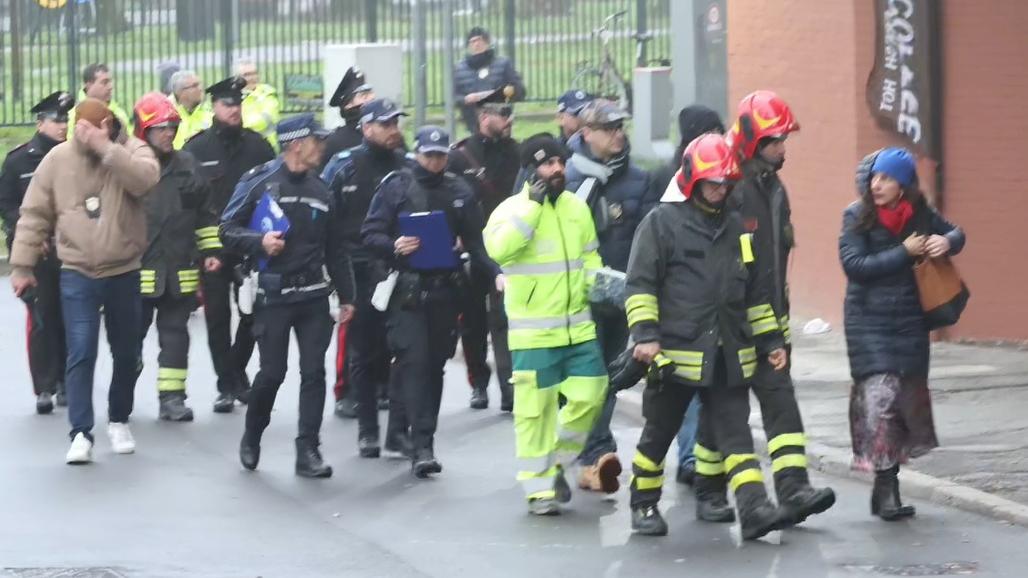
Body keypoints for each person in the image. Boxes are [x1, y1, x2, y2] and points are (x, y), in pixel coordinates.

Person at [624, 133, 788, 540]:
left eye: (725, 183)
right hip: (674, 353)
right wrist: (645, 336)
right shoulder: (661, 223)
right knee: (659, 433)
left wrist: (770, 343)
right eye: (712, 182)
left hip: (728, 351)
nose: (719, 190)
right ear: (692, 179)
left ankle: (748, 508)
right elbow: (640, 284)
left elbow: (754, 292)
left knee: (733, 434)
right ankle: (643, 503)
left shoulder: (738, 229)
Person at [11, 97, 160, 464]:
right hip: (76, 270)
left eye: (93, 128)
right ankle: (80, 432)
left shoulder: (132, 150)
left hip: (124, 269)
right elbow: (33, 215)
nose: (84, 135)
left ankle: (119, 418)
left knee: (127, 352)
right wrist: (22, 267)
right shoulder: (58, 160)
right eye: (80, 129)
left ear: (108, 125)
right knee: (81, 351)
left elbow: (145, 181)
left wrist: (106, 149)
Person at [714, 90, 835, 525]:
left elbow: (771, 263)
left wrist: (776, 330)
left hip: (770, 324)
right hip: (727, 327)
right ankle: (727, 498)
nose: (783, 148)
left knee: (781, 402)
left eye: (783, 139)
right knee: (726, 416)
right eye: (775, 140)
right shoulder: (724, 188)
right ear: (750, 140)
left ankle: (793, 489)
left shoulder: (772, 187)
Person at [363, 125, 503, 477]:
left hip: (445, 291)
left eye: (441, 155)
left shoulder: (459, 190)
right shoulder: (396, 187)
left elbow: (475, 244)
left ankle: (400, 432)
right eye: (429, 155)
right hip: (407, 292)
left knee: (433, 367)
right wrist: (394, 245)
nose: (436, 162)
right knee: (414, 362)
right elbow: (370, 233)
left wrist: (497, 273)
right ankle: (422, 445)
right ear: (417, 154)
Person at [221, 113, 355, 478]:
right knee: (272, 373)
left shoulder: (322, 189)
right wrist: (259, 241)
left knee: (314, 372)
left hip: (313, 295)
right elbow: (226, 230)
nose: (323, 147)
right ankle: (252, 434)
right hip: (273, 296)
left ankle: (307, 450)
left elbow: (336, 248)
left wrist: (348, 297)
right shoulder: (259, 181)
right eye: (318, 140)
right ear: (297, 143)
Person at [840, 147, 965, 521]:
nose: (877, 185)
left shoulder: (921, 214)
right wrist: (903, 251)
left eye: (887, 179)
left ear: (904, 185)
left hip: (910, 321)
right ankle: (887, 486)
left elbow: (957, 233)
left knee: (902, 402)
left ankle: (886, 487)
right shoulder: (856, 215)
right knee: (879, 402)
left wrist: (949, 242)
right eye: (875, 177)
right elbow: (854, 265)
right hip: (868, 322)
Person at [484, 133, 606, 516]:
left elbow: (590, 258)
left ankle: (556, 463)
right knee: (535, 414)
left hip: (579, 329)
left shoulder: (576, 208)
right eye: (547, 164)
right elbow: (499, 250)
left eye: (559, 162)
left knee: (591, 394)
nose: (557, 170)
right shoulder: (510, 210)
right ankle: (538, 490)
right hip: (533, 334)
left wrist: (601, 287)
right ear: (530, 170)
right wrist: (533, 210)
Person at [563, 99, 657, 494]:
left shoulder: (639, 180)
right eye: (609, 128)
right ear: (586, 134)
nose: (618, 134)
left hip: (620, 297)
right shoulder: (561, 176)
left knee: (607, 378)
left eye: (621, 126)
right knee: (580, 380)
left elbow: (651, 238)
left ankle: (594, 454)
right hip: (572, 299)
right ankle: (584, 452)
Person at [321, 98, 411, 457]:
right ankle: (368, 430)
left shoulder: (406, 166)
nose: (394, 130)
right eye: (386, 124)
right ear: (367, 127)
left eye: (396, 123)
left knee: (404, 350)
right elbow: (324, 215)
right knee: (364, 352)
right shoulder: (344, 166)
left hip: (398, 269)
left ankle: (399, 431)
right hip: (357, 270)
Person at [184, 76, 276, 413]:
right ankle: (226, 384)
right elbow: (188, 204)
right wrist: (198, 250)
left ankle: (236, 368)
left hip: (251, 246)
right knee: (218, 318)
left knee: (255, 314)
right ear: (214, 107)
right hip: (214, 250)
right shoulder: (196, 149)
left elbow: (272, 192)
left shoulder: (258, 146)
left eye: (237, 104)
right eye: (227, 104)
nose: (234, 110)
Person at [652, 104, 726, 487]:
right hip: (680, 313)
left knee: (705, 395)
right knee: (684, 395)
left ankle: (698, 461)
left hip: (710, 316)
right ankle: (688, 459)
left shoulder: (722, 185)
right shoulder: (670, 185)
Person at [133, 92, 217, 422]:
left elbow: (206, 213)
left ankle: (172, 398)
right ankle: (123, 392)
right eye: (161, 128)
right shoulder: (131, 167)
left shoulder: (188, 165)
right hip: (137, 271)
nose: (168, 133)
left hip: (178, 269)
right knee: (128, 339)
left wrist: (210, 251)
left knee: (176, 336)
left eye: (172, 126)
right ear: (144, 131)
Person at [0, 91, 74, 414]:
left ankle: (66, 382)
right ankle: (44, 385)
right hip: (37, 253)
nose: (63, 126)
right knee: (42, 318)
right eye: (57, 121)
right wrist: (29, 236)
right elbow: (7, 205)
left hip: (72, 250)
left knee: (72, 317)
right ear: (40, 122)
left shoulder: (76, 155)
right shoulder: (19, 160)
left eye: (66, 120)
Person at [449, 88, 520, 411]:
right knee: (474, 322)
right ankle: (478, 382)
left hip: (509, 248)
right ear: (484, 117)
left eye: (510, 114)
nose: (509, 121)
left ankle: (509, 389)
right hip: (474, 248)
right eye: (503, 115)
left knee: (504, 321)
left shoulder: (516, 153)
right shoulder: (461, 156)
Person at [321, 65, 377, 418]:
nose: (368, 99)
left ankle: (378, 384)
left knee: (383, 323)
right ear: (346, 105)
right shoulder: (335, 145)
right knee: (351, 321)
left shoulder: (385, 139)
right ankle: (345, 389)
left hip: (382, 246)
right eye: (361, 95)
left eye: (369, 94)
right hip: (349, 246)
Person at [454, 26, 526, 133]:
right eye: (472, 42)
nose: (477, 44)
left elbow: (519, 91)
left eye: (480, 40)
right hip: (473, 125)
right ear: (468, 45)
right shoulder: (459, 69)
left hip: (501, 122)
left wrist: (496, 94)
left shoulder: (503, 64)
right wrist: (466, 99)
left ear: (487, 42)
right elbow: (453, 97)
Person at [322, 66, 376, 170]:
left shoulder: (384, 131)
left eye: (371, 94)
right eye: (364, 96)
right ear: (348, 105)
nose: (371, 99)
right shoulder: (335, 142)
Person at [67, 63, 132, 138]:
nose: (110, 87)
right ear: (89, 85)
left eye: (110, 82)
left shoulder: (119, 113)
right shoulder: (74, 115)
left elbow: (130, 142)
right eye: (105, 82)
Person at [236, 57, 281, 151]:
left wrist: (238, 128)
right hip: (241, 149)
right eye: (247, 75)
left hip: (267, 147)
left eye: (254, 73)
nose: (252, 78)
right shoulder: (234, 96)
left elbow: (265, 119)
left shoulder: (268, 93)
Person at [169, 69, 212, 149]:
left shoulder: (210, 111)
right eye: (195, 86)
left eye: (200, 84)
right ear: (180, 92)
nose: (200, 89)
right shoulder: (167, 113)